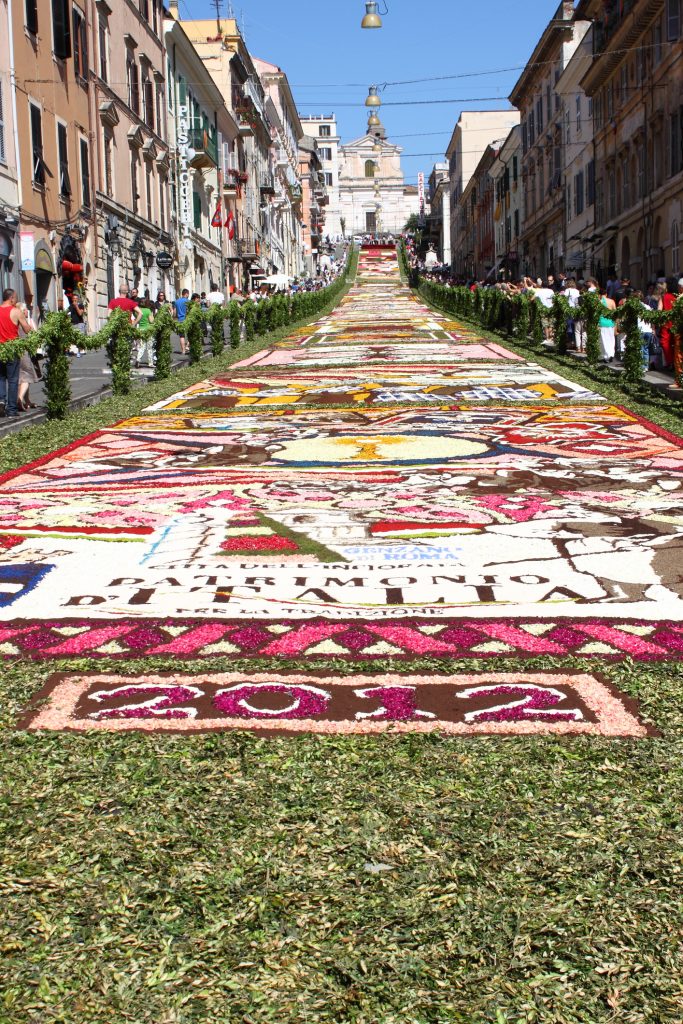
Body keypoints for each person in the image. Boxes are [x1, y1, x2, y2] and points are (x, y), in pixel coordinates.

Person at [0, 288, 34, 418]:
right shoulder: (16, 311)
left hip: (0, 348)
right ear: (11, 298)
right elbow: (26, 329)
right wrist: (28, 324)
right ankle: (12, 409)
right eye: (16, 298)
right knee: (13, 379)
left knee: (1, 378)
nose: (16, 300)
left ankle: (1, 401)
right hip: (12, 348)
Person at [15, 302, 39, 411]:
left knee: (21, 377)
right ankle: (19, 399)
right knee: (27, 376)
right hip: (24, 352)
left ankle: (27, 401)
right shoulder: (23, 322)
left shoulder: (14, 322)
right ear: (22, 311)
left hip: (16, 351)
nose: (26, 312)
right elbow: (33, 333)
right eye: (25, 310)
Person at [657, 276, 678, 371]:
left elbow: (659, 311)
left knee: (665, 343)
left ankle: (670, 362)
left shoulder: (663, 297)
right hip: (677, 322)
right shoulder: (678, 297)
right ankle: (677, 361)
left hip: (666, 323)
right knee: (677, 342)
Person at [598, 285, 617, 361]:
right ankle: (611, 353)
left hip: (602, 322)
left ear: (599, 294)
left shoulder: (599, 302)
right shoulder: (612, 301)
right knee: (611, 339)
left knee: (603, 340)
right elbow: (615, 312)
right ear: (606, 294)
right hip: (611, 322)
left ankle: (606, 356)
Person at [135, 298, 155, 367]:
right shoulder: (148, 310)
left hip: (141, 329)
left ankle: (138, 359)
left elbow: (137, 318)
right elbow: (151, 321)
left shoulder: (138, 311)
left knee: (142, 346)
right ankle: (150, 363)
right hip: (148, 330)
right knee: (149, 347)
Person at [173, 288, 190, 355]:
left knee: (182, 336)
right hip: (187, 320)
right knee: (190, 335)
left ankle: (183, 351)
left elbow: (174, 313)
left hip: (180, 320)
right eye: (188, 294)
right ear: (186, 294)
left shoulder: (176, 301)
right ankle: (187, 346)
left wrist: (174, 319)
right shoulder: (188, 302)